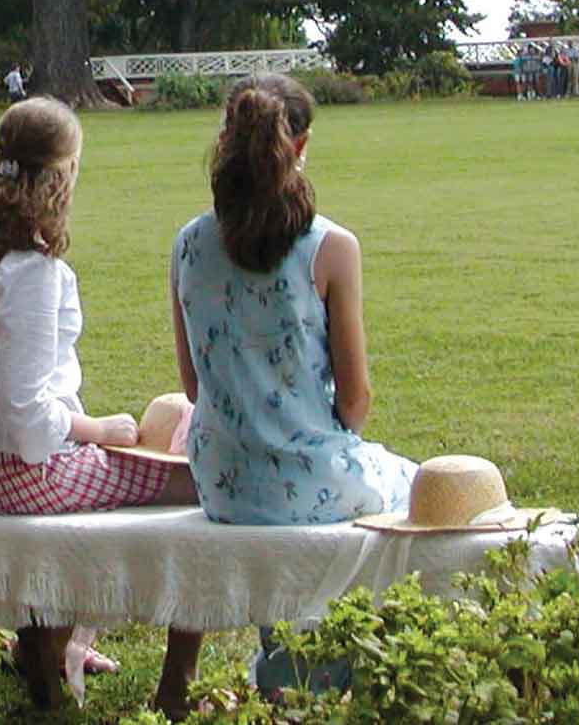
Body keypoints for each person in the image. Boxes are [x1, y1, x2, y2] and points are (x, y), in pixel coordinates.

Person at [170, 74, 416, 699]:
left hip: (222, 482)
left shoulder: (188, 245)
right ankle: (335, 673)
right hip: (307, 477)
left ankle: (290, 664)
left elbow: (194, 389)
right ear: (300, 146)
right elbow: (356, 403)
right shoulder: (331, 248)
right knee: (417, 489)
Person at [0, 98, 194, 682]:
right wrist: (98, 431)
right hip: (17, 471)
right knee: (195, 479)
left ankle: (50, 638)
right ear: (61, 177)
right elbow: (26, 416)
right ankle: (83, 648)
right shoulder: (31, 271)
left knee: (142, 462)